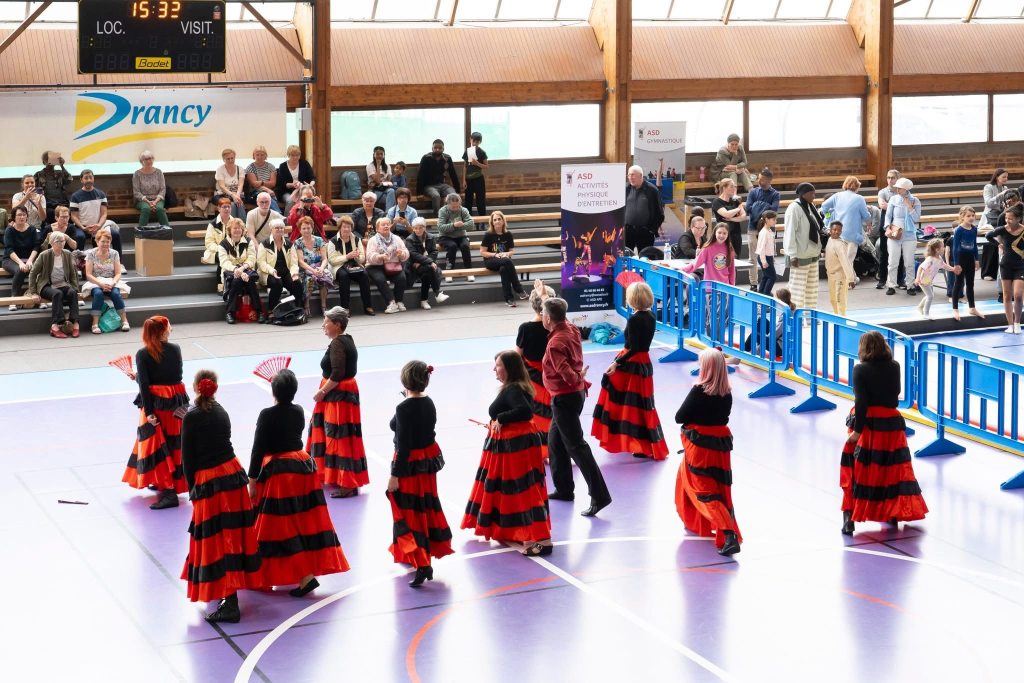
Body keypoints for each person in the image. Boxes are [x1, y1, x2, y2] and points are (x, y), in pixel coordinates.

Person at [251, 368, 349, 596]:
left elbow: (258, 449)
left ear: (274, 391)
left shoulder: (266, 414)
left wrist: (252, 479)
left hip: (281, 473)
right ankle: (304, 573)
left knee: (281, 527)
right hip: (303, 467)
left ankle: (302, 576)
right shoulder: (297, 411)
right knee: (304, 522)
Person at [180, 369, 262, 623]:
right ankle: (229, 591)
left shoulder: (191, 417)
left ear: (196, 386)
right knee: (233, 536)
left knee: (216, 541)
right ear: (215, 387)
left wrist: (193, 490)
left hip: (210, 483)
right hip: (232, 475)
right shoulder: (222, 412)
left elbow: (188, 460)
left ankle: (230, 602)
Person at [462, 351, 552, 556]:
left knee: (523, 490)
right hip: (515, 445)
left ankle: (540, 540)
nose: (494, 369)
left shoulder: (513, 389)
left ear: (509, 368)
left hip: (516, 447)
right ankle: (524, 533)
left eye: (498, 366)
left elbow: (524, 411)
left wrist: (501, 418)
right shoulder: (517, 386)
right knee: (516, 489)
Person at [841, 331, 928, 535]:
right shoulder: (894, 366)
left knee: (856, 469)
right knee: (892, 470)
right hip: (892, 424)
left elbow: (861, 402)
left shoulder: (860, 369)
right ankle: (891, 512)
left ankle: (849, 518)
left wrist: (857, 431)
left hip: (870, 425)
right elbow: (895, 394)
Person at [543, 297, 612, 517]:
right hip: (573, 396)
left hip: (565, 398)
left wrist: (577, 375)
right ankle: (564, 489)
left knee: (576, 447)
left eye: (543, 314)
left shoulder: (555, 344)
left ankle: (600, 495)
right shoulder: (571, 328)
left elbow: (569, 377)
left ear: (548, 318)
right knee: (555, 442)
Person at [387, 361, 454, 586]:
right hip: (426, 463)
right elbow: (397, 425)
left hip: (409, 466)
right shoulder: (429, 402)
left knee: (409, 512)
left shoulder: (403, 409)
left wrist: (394, 475)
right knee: (425, 508)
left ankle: (422, 562)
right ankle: (420, 555)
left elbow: (403, 445)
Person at [674, 348, 742, 556]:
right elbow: (722, 419)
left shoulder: (698, 391)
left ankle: (729, 534)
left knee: (704, 490)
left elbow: (679, 417)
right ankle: (699, 521)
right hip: (720, 447)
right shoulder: (726, 393)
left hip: (700, 447)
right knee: (713, 486)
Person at [592, 282, 668, 460]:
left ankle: (622, 438)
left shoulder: (634, 319)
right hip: (644, 363)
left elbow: (633, 348)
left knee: (623, 402)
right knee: (641, 405)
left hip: (631, 363)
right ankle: (643, 445)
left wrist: (616, 363)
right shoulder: (651, 316)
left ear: (632, 299)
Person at [122, 316, 189, 509]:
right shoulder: (176, 349)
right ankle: (165, 482)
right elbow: (174, 376)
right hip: (176, 402)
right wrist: (139, 377)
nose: (171, 328)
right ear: (162, 331)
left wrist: (149, 412)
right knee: (173, 444)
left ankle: (169, 491)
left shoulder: (143, 354)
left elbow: (145, 384)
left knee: (156, 445)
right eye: (169, 325)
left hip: (157, 403)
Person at [307, 307, 369, 498]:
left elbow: (337, 374)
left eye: (326, 322)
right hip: (343, 394)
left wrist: (321, 392)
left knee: (337, 438)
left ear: (337, 324)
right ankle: (341, 477)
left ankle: (347, 483)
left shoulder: (337, 344)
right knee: (343, 437)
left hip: (338, 396)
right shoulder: (347, 339)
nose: (323, 325)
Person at [517, 280, 555, 455]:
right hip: (554, 375)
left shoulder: (525, 328)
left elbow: (517, 355)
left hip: (533, 379)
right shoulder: (557, 328)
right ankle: (556, 450)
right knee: (554, 414)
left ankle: (539, 451)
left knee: (537, 415)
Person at [27, 232, 80, 338]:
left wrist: (75, 288)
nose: (62, 243)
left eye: (63, 241)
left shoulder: (67, 254)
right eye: (58, 241)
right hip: (47, 285)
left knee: (73, 292)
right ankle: (56, 325)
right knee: (57, 293)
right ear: (51, 243)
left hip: (63, 284)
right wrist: (33, 292)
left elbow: (72, 273)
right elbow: (33, 273)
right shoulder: (44, 255)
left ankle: (75, 323)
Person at [783, 182, 824, 311]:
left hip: (813, 254)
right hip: (800, 256)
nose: (814, 196)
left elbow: (817, 227)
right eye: (811, 194)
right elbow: (790, 233)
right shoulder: (794, 208)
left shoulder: (810, 206)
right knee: (797, 289)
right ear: (804, 194)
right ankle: (794, 316)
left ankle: (809, 316)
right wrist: (792, 255)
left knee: (812, 289)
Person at [821, 175, 871, 279]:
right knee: (848, 259)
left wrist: (828, 215)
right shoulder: (859, 198)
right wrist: (868, 223)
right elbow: (866, 215)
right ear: (857, 186)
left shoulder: (837, 196)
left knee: (843, 259)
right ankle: (848, 281)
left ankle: (852, 278)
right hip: (853, 234)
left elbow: (824, 206)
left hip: (839, 233)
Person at [83, 227, 130, 333]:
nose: (105, 244)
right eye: (103, 241)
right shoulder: (91, 254)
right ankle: (95, 323)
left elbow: (118, 273)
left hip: (111, 281)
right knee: (98, 294)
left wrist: (113, 283)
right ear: (97, 241)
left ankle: (124, 320)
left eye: (108, 242)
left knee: (116, 294)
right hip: (95, 281)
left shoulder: (114, 253)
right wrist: (100, 284)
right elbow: (88, 274)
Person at [218, 217, 265, 324]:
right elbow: (224, 262)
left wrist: (242, 269)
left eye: (239, 228)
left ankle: (257, 312)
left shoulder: (248, 241)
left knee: (249, 281)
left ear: (243, 230)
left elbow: (252, 258)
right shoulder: (223, 244)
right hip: (230, 272)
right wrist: (236, 270)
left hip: (246, 270)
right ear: (229, 230)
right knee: (236, 281)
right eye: (235, 228)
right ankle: (232, 313)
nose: (237, 230)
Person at [986, 204, 1024, 334]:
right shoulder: (1002, 229)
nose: (1007, 221)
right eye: (1006, 218)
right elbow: (988, 236)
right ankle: (1010, 325)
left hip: (1020, 266)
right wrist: (998, 244)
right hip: (1006, 265)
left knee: (1018, 295)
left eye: (1010, 218)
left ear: (1019, 219)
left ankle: (1017, 323)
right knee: (1007, 296)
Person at [327, 215, 375, 315]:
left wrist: (357, 257)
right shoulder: (333, 241)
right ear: (340, 228)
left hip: (353, 265)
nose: (346, 229)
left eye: (348, 227)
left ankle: (368, 306)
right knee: (344, 276)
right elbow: (332, 260)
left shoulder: (357, 239)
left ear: (351, 228)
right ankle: (345, 308)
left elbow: (362, 258)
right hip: (338, 266)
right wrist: (347, 257)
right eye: (344, 227)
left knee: (364, 275)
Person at [884, 177, 922, 296]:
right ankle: (891, 285)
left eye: (899, 188)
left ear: (906, 189)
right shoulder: (893, 199)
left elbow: (916, 218)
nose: (897, 190)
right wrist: (887, 228)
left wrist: (909, 207)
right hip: (895, 233)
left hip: (910, 235)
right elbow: (888, 216)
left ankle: (910, 285)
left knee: (909, 262)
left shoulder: (915, 200)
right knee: (892, 261)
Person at [257, 219, 304, 316]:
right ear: (271, 230)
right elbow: (261, 263)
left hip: (286, 272)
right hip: (268, 272)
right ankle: (272, 310)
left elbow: (294, 263)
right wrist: (272, 271)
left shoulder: (289, 244)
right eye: (277, 228)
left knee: (297, 283)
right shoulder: (264, 244)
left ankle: (296, 308)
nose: (279, 230)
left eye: (281, 228)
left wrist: (294, 273)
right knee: (277, 283)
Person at [69, 170, 123, 254]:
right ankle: (77, 260)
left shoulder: (101, 194)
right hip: (82, 227)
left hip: (98, 226)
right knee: (79, 237)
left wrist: (99, 225)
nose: (89, 180)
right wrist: (83, 228)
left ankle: (118, 260)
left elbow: (104, 214)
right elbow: (73, 216)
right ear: (81, 180)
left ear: (93, 179)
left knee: (115, 234)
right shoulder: (75, 196)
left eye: (90, 177)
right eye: (86, 178)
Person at [481, 210, 527, 306]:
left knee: (504, 269)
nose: (497, 221)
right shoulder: (488, 235)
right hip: (491, 261)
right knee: (507, 261)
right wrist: (495, 255)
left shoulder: (508, 234)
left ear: (503, 221)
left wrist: (506, 253)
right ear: (492, 222)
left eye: (499, 219)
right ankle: (519, 289)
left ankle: (509, 299)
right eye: (495, 220)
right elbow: (482, 252)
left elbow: (511, 251)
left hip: (505, 261)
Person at [365, 216, 410, 314]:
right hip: (375, 266)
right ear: (377, 229)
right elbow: (369, 256)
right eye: (383, 225)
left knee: (401, 277)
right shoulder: (373, 240)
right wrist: (380, 257)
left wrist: (402, 254)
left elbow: (406, 252)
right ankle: (391, 302)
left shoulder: (397, 238)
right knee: (380, 279)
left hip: (393, 265)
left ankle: (399, 301)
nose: (386, 226)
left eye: (387, 224)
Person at [744, 168, 780, 288]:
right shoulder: (753, 192)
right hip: (753, 228)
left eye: (762, 180)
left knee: (768, 256)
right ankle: (753, 283)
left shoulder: (775, 194)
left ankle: (765, 284)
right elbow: (748, 208)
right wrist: (764, 207)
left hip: (767, 229)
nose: (759, 181)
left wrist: (757, 205)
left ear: (769, 181)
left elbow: (773, 210)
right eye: (759, 179)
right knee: (752, 258)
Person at [405, 217, 449, 310]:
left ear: (424, 228)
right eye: (416, 228)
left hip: (424, 264)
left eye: (420, 228)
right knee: (430, 269)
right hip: (414, 266)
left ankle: (424, 300)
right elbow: (413, 254)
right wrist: (430, 262)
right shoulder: (409, 239)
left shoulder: (431, 237)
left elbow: (434, 252)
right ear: (413, 228)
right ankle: (437, 294)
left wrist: (426, 262)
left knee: (427, 273)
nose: (418, 230)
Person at [950, 206, 984, 321]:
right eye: (968, 216)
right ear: (962, 217)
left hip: (970, 259)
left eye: (973, 216)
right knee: (958, 283)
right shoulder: (959, 230)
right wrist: (956, 264)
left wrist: (977, 259)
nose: (971, 218)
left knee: (970, 284)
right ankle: (955, 309)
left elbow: (974, 245)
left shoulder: (974, 229)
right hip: (960, 259)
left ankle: (972, 308)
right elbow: (955, 248)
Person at [3, 206, 41, 305]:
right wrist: (20, 263)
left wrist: (30, 260)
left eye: (24, 215)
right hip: (11, 259)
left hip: (29, 258)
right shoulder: (9, 230)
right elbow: (9, 249)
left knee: (41, 268)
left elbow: (36, 246)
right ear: (14, 217)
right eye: (19, 215)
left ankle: (39, 296)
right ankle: (14, 299)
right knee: (20, 269)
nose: (22, 217)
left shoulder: (32, 229)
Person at [295, 216, 331, 318]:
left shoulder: (319, 240)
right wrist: (313, 271)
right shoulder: (298, 243)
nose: (306, 230)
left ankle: (324, 306)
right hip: (305, 270)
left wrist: (321, 269)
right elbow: (301, 262)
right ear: (300, 230)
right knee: (309, 280)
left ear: (312, 228)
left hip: (319, 268)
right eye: (304, 228)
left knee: (324, 278)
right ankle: (306, 304)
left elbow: (325, 259)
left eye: (308, 228)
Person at [914, 238, 958, 319]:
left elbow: (944, 266)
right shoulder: (930, 259)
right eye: (942, 247)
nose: (944, 248)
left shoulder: (939, 258)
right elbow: (920, 267)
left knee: (929, 295)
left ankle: (920, 307)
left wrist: (953, 269)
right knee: (930, 296)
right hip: (924, 280)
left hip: (929, 280)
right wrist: (917, 278)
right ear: (937, 250)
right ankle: (926, 314)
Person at [876, 169, 905, 289]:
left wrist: (891, 205)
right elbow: (882, 205)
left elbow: (906, 206)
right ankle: (882, 279)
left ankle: (900, 280)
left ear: (898, 179)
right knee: (884, 252)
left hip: (899, 224)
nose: (890, 180)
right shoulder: (883, 192)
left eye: (892, 178)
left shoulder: (902, 192)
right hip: (886, 224)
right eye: (888, 177)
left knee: (900, 252)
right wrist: (897, 206)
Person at [624, 165, 664, 252]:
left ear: (641, 176)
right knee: (626, 257)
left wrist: (652, 230)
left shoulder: (652, 190)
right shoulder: (625, 189)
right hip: (627, 232)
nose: (630, 177)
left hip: (645, 233)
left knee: (645, 257)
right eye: (629, 175)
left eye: (633, 175)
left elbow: (660, 213)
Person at [417, 139, 460, 215]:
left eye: (440, 148)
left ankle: (447, 215)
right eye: (435, 148)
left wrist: (458, 190)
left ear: (443, 149)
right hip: (429, 186)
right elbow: (420, 175)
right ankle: (437, 217)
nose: (437, 149)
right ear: (432, 148)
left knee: (453, 195)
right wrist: (419, 193)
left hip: (442, 185)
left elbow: (453, 174)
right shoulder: (426, 158)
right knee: (436, 196)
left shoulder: (447, 158)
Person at [824, 221, 857, 317]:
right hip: (831, 275)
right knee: (833, 300)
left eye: (839, 230)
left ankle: (842, 319)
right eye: (834, 229)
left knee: (840, 300)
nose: (836, 232)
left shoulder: (840, 245)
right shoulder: (829, 240)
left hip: (840, 277)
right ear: (830, 230)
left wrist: (851, 279)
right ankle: (836, 317)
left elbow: (845, 262)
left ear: (841, 231)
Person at [437, 193, 474, 276]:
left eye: (457, 206)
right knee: (452, 246)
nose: (456, 208)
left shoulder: (463, 210)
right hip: (445, 237)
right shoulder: (442, 211)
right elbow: (440, 227)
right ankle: (449, 271)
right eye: (453, 207)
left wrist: (461, 225)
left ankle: (469, 270)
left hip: (461, 236)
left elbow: (471, 224)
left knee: (465, 246)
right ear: (448, 204)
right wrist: (453, 225)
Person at [712, 178, 747, 263]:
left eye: (734, 186)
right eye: (731, 186)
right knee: (724, 259)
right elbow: (726, 214)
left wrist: (732, 219)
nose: (734, 189)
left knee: (736, 259)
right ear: (724, 188)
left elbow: (743, 216)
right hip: (724, 235)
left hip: (736, 233)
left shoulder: (735, 201)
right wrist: (738, 209)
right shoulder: (717, 202)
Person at [34, 151, 72, 223]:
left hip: (62, 204)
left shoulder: (59, 173)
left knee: (66, 213)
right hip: (47, 205)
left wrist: (62, 165)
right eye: (47, 159)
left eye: (51, 159)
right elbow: (33, 189)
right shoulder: (38, 175)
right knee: (50, 214)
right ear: (44, 162)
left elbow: (69, 180)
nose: (50, 162)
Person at [132, 150, 169, 226]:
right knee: (146, 209)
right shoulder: (137, 174)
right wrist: (148, 202)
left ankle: (167, 230)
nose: (149, 161)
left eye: (151, 158)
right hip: (142, 200)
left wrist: (155, 202)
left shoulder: (159, 172)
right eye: (146, 159)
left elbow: (163, 189)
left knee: (160, 209)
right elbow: (136, 192)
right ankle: (141, 231)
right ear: (142, 161)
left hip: (157, 199)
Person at [275, 145, 315, 212]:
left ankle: (305, 217)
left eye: (297, 155)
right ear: (288, 155)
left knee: (307, 200)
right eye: (293, 155)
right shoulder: (283, 166)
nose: (295, 157)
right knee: (290, 200)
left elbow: (312, 178)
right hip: (286, 192)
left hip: (303, 191)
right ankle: (288, 218)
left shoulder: (304, 163)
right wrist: (292, 185)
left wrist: (310, 186)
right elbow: (281, 183)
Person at [245, 145, 281, 211]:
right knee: (266, 197)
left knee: (268, 198)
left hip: (271, 192)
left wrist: (261, 182)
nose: (259, 157)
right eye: (257, 155)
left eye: (262, 155)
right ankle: (279, 215)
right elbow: (254, 184)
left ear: (265, 156)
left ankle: (277, 215)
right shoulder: (250, 167)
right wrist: (267, 189)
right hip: (255, 194)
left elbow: (273, 183)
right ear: (254, 156)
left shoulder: (271, 167)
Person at [213, 148, 247, 219]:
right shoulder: (220, 170)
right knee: (231, 205)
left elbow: (241, 184)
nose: (230, 160)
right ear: (223, 159)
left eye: (232, 158)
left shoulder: (240, 169)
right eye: (228, 159)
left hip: (237, 194)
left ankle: (242, 224)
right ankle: (231, 224)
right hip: (222, 195)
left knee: (239, 204)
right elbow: (222, 186)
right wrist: (233, 195)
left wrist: (237, 196)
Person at [462, 132, 489, 216]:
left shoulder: (482, 152)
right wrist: (464, 180)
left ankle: (482, 220)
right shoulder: (467, 151)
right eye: (473, 141)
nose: (475, 143)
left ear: (480, 142)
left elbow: (486, 166)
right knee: (468, 200)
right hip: (468, 180)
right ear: (470, 140)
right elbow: (465, 166)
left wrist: (477, 163)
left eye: (477, 142)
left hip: (478, 179)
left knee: (480, 200)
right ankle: (468, 219)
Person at [203, 197, 233, 267]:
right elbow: (209, 243)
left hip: (233, 251)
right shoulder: (213, 224)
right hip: (217, 251)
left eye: (228, 207)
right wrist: (221, 249)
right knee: (223, 256)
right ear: (219, 209)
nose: (227, 209)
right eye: (224, 207)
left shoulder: (235, 222)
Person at [754, 210, 778, 295]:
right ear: (767, 219)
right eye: (773, 219)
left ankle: (761, 293)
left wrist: (772, 257)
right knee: (772, 277)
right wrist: (764, 261)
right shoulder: (764, 232)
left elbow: (770, 246)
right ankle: (766, 293)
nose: (775, 221)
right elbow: (761, 248)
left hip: (768, 257)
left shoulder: (769, 231)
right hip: (764, 257)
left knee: (766, 276)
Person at [366, 145, 396, 212]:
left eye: (381, 154)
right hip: (374, 190)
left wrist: (385, 183)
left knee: (392, 191)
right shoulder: (370, 166)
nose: (379, 156)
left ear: (384, 155)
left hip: (385, 189)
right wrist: (378, 165)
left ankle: (388, 214)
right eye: (377, 154)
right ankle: (388, 213)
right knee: (390, 198)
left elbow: (389, 180)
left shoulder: (387, 166)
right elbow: (377, 181)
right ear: (374, 155)